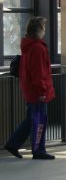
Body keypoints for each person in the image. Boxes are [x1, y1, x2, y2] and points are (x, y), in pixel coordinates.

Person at [4, 17, 56, 160]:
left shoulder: (28, 46)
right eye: (43, 27)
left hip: (30, 90)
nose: (44, 30)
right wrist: (42, 91)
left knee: (30, 119)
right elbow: (39, 72)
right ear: (38, 30)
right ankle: (39, 150)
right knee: (39, 121)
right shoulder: (38, 48)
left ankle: (13, 143)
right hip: (37, 92)